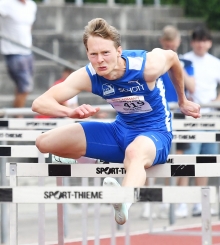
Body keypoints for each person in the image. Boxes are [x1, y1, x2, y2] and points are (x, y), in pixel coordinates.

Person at [32, 18, 200, 225]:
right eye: (93, 54)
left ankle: (123, 201)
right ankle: (85, 157)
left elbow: (173, 58)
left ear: (119, 51)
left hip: (155, 134)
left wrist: (182, 100)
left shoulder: (146, 67)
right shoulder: (90, 74)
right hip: (119, 131)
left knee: (134, 153)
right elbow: (39, 103)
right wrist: (69, 112)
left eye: (105, 53)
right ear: (87, 54)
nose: (100, 60)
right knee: (44, 142)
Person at [177, 26, 220, 217]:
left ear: (209, 43)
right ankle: (181, 202)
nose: (201, 44)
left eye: (204, 40)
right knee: (186, 159)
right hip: (189, 116)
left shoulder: (215, 63)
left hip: (210, 115)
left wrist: (217, 102)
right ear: (192, 42)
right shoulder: (183, 60)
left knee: (205, 159)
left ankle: (199, 202)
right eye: (197, 40)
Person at [0, 0, 37, 109]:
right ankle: (17, 117)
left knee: (22, 87)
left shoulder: (31, 5)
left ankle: (16, 114)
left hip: (27, 51)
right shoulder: (6, 3)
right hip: (13, 51)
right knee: (25, 87)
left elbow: (29, 26)